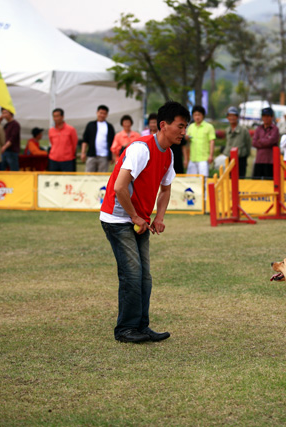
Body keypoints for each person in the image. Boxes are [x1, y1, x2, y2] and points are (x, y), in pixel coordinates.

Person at [100, 100, 191, 344]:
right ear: (163, 125)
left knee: (144, 276)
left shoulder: (168, 154)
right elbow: (119, 188)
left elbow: (165, 190)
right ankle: (125, 330)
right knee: (132, 274)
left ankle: (142, 326)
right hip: (117, 218)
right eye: (180, 126)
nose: (184, 132)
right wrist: (135, 216)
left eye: (186, 127)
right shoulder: (141, 148)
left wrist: (159, 217)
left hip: (138, 219)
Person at [81, 105, 116, 173]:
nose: (102, 115)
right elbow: (85, 140)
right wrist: (83, 153)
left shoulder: (109, 127)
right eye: (100, 113)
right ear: (97, 113)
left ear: (107, 115)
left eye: (104, 113)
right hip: (92, 155)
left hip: (104, 156)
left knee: (102, 177)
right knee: (88, 176)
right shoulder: (90, 125)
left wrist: (112, 156)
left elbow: (112, 142)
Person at [186, 105, 215, 176]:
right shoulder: (190, 127)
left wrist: (211, 155)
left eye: (199, 115)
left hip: (203, 159)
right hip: (192, 158)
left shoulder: (209, 127)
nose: (197, 117)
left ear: (203, 115)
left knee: (203, 180)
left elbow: (212, 141)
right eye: (195, 115)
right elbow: (188, 142)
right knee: (190, 180)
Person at [223, 106, 252, 178]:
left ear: (237, 117)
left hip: (241, 158)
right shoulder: (227, 130)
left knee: (240, 180)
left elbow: (248, 144)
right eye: (230, 116)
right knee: (229, 179)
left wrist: (245, 155)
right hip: (229, 158)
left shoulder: (243, 130)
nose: (232, 118)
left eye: (234, 115)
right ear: (227, 118)